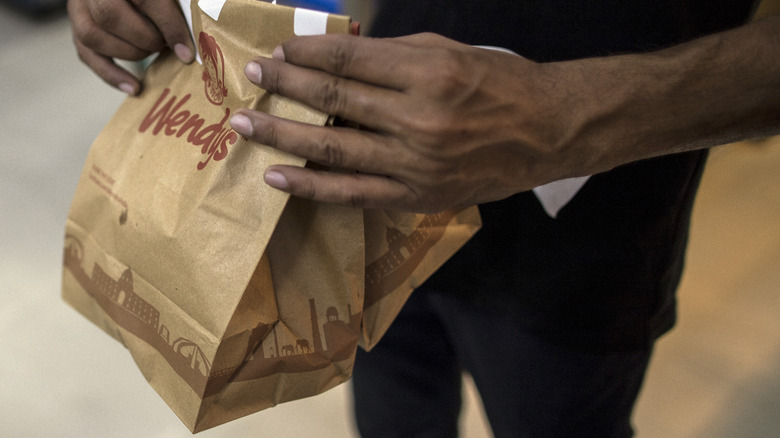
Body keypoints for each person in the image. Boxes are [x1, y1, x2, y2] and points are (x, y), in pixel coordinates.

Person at [68, 0, 779, 436]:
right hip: (367, 167)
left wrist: (564, 115)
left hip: (591, 212)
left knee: (552, 415)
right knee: (392, 413)